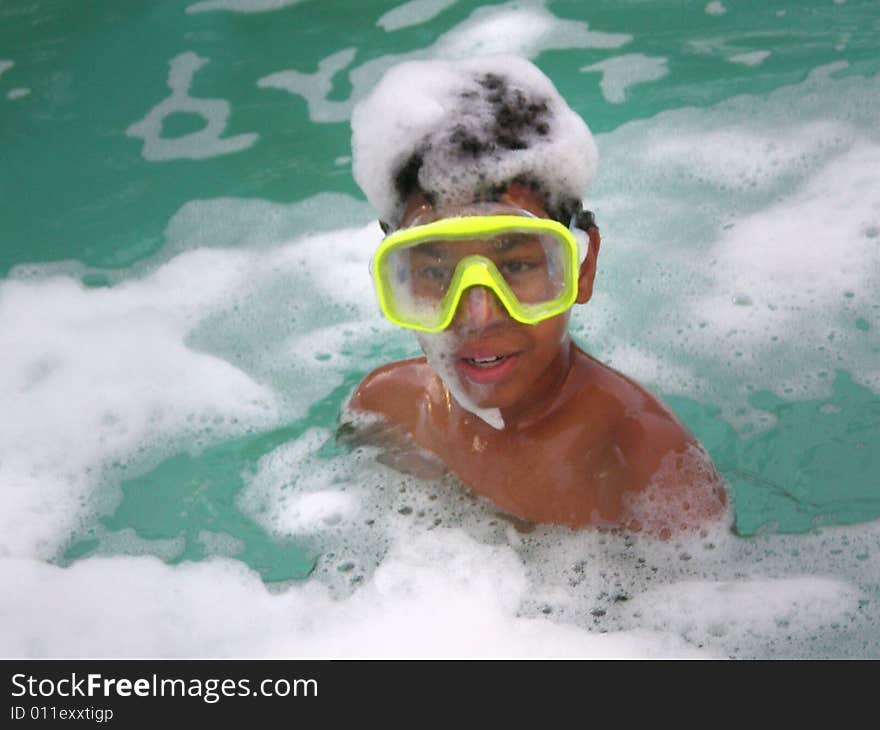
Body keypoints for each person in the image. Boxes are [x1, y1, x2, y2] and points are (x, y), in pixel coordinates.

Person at [341, 55, 728, 538]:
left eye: (517, 265)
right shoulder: (387, 411)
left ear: (582, 269)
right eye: (436, 270)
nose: (478, 314)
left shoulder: (651, 473)